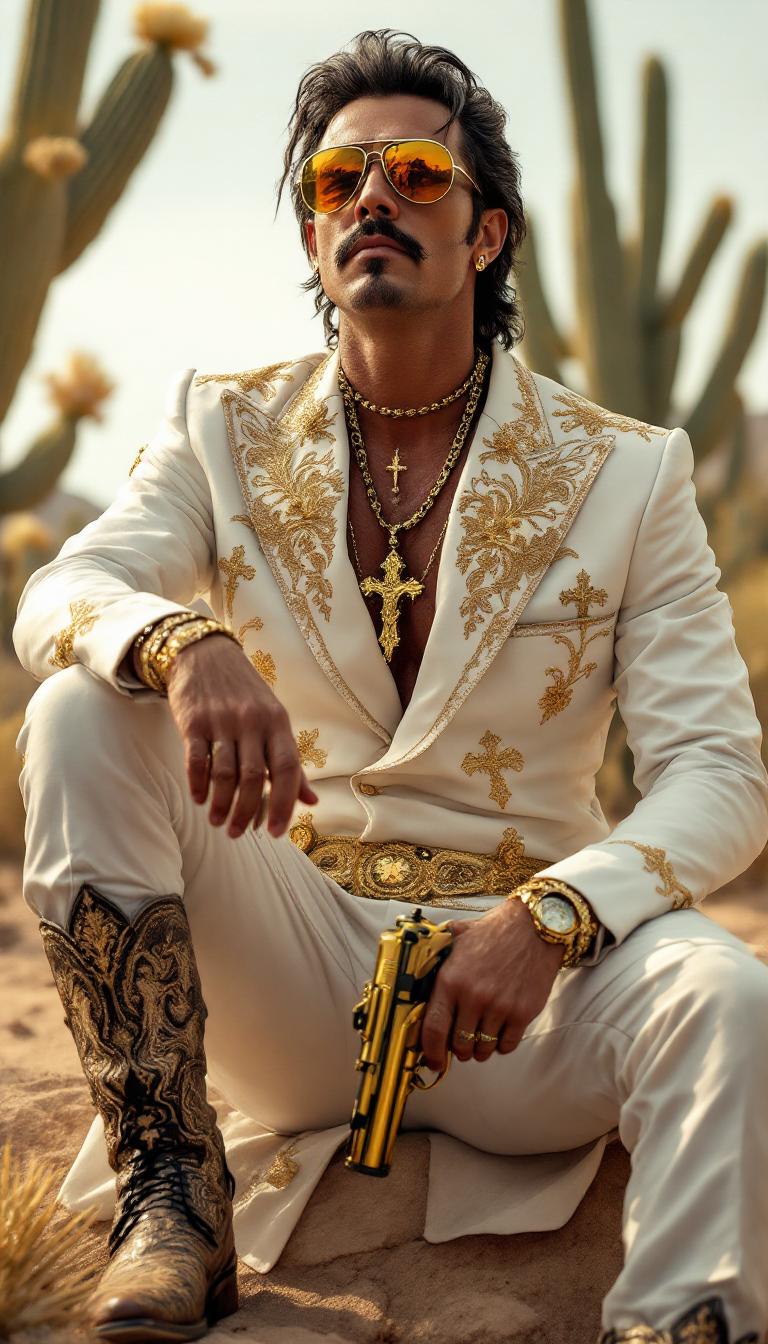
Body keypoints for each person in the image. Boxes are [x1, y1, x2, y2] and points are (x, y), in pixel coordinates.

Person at [13, 28, 768, 1344]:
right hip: (287, 960)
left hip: (522, 1007)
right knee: (85, 702)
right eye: (337, 181)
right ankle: (171, 1195)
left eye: (418, 173)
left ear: (486, 236)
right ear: (314, 238)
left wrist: (553, 918)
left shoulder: (629, 473)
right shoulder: (217, 427)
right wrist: (187, 647)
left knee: (728, 994)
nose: (372, 198)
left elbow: (718, 771)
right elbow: (62, 591)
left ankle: (686, 1320)